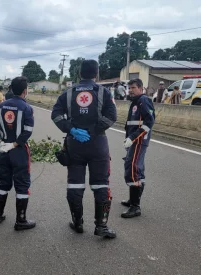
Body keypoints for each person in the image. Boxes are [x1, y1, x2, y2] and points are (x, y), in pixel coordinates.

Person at [51, 60, 117, 239]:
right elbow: (112, 116)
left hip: (75, 144)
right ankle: (101, 226)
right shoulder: (104, 92)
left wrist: (71, 129)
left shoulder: (68, 93)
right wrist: (94, 131)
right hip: (98, 144)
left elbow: (55, 114)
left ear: (79, 74)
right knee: (101, 184)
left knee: (75, 184)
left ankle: (77, 222)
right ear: (96, 73)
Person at [0, 76, 35, 231]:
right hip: (19, 150)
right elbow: (27, 131)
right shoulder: (27, 108)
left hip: (3, 149)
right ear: (24, 90)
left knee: (3, 183)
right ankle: (21, 221)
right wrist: (15, 144)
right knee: (22, 185)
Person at [121, 78, 155, 218]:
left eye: (133, 88)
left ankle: (135, 207)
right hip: (134, 141)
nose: (130, 90)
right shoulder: (135, 102)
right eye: (129, 88)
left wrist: (133, 137)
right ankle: (133, 200)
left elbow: (149, 122)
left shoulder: (143, 100)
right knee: (137, 169)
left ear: (141, 88)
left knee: (133, 169)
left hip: (139, 141)